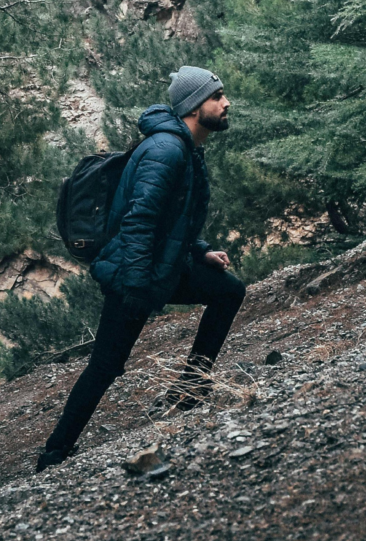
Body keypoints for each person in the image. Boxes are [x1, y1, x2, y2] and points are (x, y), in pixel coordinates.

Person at [35, 66, 246, 472]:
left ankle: (191, 390)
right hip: (135, 274)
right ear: (193, 106)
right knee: (106, 366)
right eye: (217, 96)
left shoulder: (185, 148)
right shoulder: (167, 150)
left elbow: (174, 219)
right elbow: (138, 221)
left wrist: (200, 251)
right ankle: (54, 454)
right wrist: (134, 287)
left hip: (161, 268)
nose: (226, 103)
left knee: (228, 290)